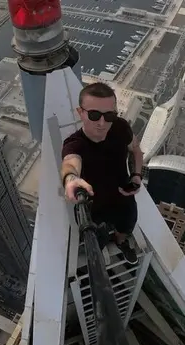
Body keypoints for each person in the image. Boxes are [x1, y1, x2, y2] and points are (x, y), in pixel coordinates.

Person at [60, 82, 144, 264]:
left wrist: (137, 176)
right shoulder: (75, 144)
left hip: (122, 196)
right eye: (94, 114)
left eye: (109, 115)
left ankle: (121, 243)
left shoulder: (120, 127)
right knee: (97, 239)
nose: (102, 122)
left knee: (126, 226)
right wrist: (71, 179)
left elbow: (136, 150)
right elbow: (70, 163)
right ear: (80, 112)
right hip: (93, 205)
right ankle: (102, 247)